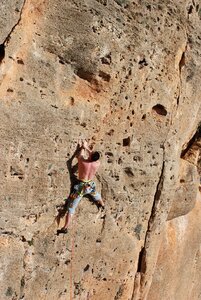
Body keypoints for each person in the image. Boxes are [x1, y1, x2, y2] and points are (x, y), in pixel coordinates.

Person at [57, 140, 104, 234]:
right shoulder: (97, 164)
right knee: (96, 194)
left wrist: (83, 147)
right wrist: (87, 148)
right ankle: (102, 205)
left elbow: (78, 155)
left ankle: (65, 227)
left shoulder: (83, 162)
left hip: (80, 188)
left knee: (71, 208)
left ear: (90, 156)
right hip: (90, 186)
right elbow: (93, 156)